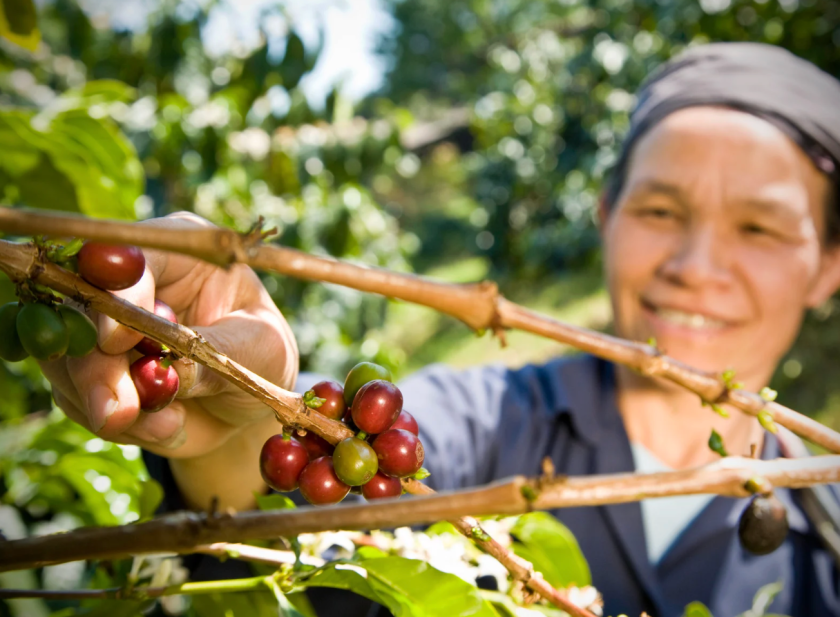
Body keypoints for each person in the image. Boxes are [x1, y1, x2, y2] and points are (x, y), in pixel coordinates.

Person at [41, 42, 840, 616]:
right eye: (661, 210)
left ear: (829, 263)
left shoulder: (826, 527)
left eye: (759, 228)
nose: (698, 264)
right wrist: (234, 428)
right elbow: (303, 515)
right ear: (606, 217)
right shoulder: (487, 425)